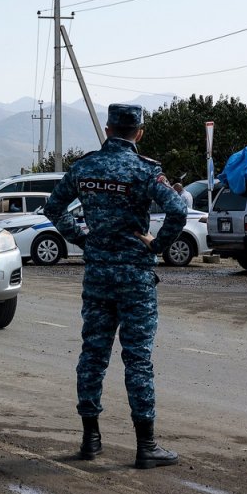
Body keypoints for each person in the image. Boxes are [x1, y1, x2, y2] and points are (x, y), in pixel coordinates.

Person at [43, 104, 187, 470]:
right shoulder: (145, 170)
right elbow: (179, 211)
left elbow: (53, 209)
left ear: (107, 129)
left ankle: (90, 439)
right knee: (137, 359)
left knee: (93, 356)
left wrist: (83, 238)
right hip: (135, 276)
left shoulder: (85, 167)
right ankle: (146, 446)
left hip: (98, 274)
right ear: (138, 132)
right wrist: (157, 245)